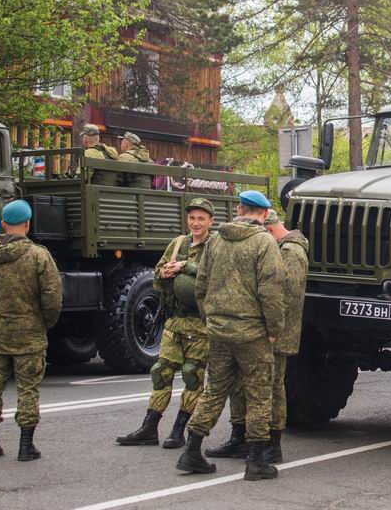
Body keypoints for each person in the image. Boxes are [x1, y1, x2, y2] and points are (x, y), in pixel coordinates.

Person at [177, 190, 287, 482]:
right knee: (259, 393)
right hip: (252, 333)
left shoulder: (216, 240)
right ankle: (256, 461)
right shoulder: (264, 242)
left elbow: (200, 283)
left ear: (239, 209)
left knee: (214, 390)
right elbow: (272, 291)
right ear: (264, 214)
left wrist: (209, 317)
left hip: (219, 329)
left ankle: (192, 450)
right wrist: (275, 330)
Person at [206, 209, 308, 464]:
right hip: (256, 331)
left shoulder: (292, 252)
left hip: (276, 334)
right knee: (243, 387)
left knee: (272, 389)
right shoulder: (273, 247)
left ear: (270, 230)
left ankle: (271, 444)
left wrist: (271, 329)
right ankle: (241, 438)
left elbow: (286, 296)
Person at [116, 198, 215, 449]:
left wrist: (186, 266)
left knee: (193, 376)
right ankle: (149, 428)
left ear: (210, 222)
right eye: (192, 218)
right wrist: (165, 272)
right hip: (174, 322)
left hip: (199, 326)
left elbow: (213, 275)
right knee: (161, 372)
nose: (195, 223)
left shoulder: (215, 247)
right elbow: (157, 273)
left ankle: (179, 430)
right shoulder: (178, 243)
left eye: (201, 219)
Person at [0, 200, 62, 462]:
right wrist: (43, 323)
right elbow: (52, 298)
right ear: (27, 224)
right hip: (29, 334)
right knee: (28, 389)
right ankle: (26, 447)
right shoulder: (38, 255)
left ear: (2, 223)